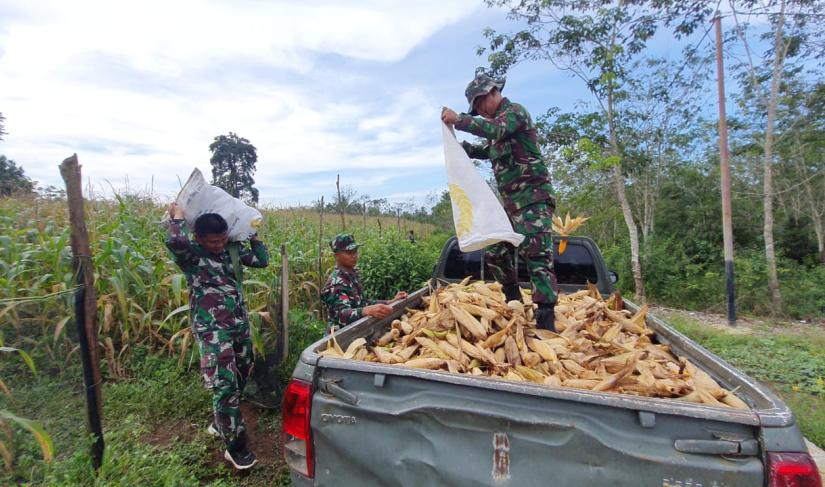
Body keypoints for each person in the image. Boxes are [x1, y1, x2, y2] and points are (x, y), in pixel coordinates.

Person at [441, 73, 558, 331]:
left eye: (480, 104)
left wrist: (460, 120)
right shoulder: (496, 129)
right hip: (511, 205)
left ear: (491, 92)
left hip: (533, 200)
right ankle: (514, 302)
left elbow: (495, 130)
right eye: (476, 108)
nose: (480, 111)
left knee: (536, 254)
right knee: (495, 250)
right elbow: (490, 148)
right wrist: (465, 149)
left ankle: (546, 323)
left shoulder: (515, 113)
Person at [165, 203, 269, 470]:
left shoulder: (230, 250)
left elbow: (262, 260)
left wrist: (250, 234)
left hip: (238, 325)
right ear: (199, 238)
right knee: (225, 386)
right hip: (213, 331)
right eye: (213, 241)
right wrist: (176, 217)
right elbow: (175, 240)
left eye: (223, 239)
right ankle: (235, 447)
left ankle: (219, 421)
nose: (219, 245)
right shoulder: (192, 255)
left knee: (242, 373)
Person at [321, 233, 407, 333]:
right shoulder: (335, 283)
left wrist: (390, 302)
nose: (354, 256)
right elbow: (341, 315)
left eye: (355, 251)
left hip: (357, 331)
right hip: (340, 339)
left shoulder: (351, 276)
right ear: (337, 256)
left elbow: (363, 302)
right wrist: (366, 311)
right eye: (349, 252)